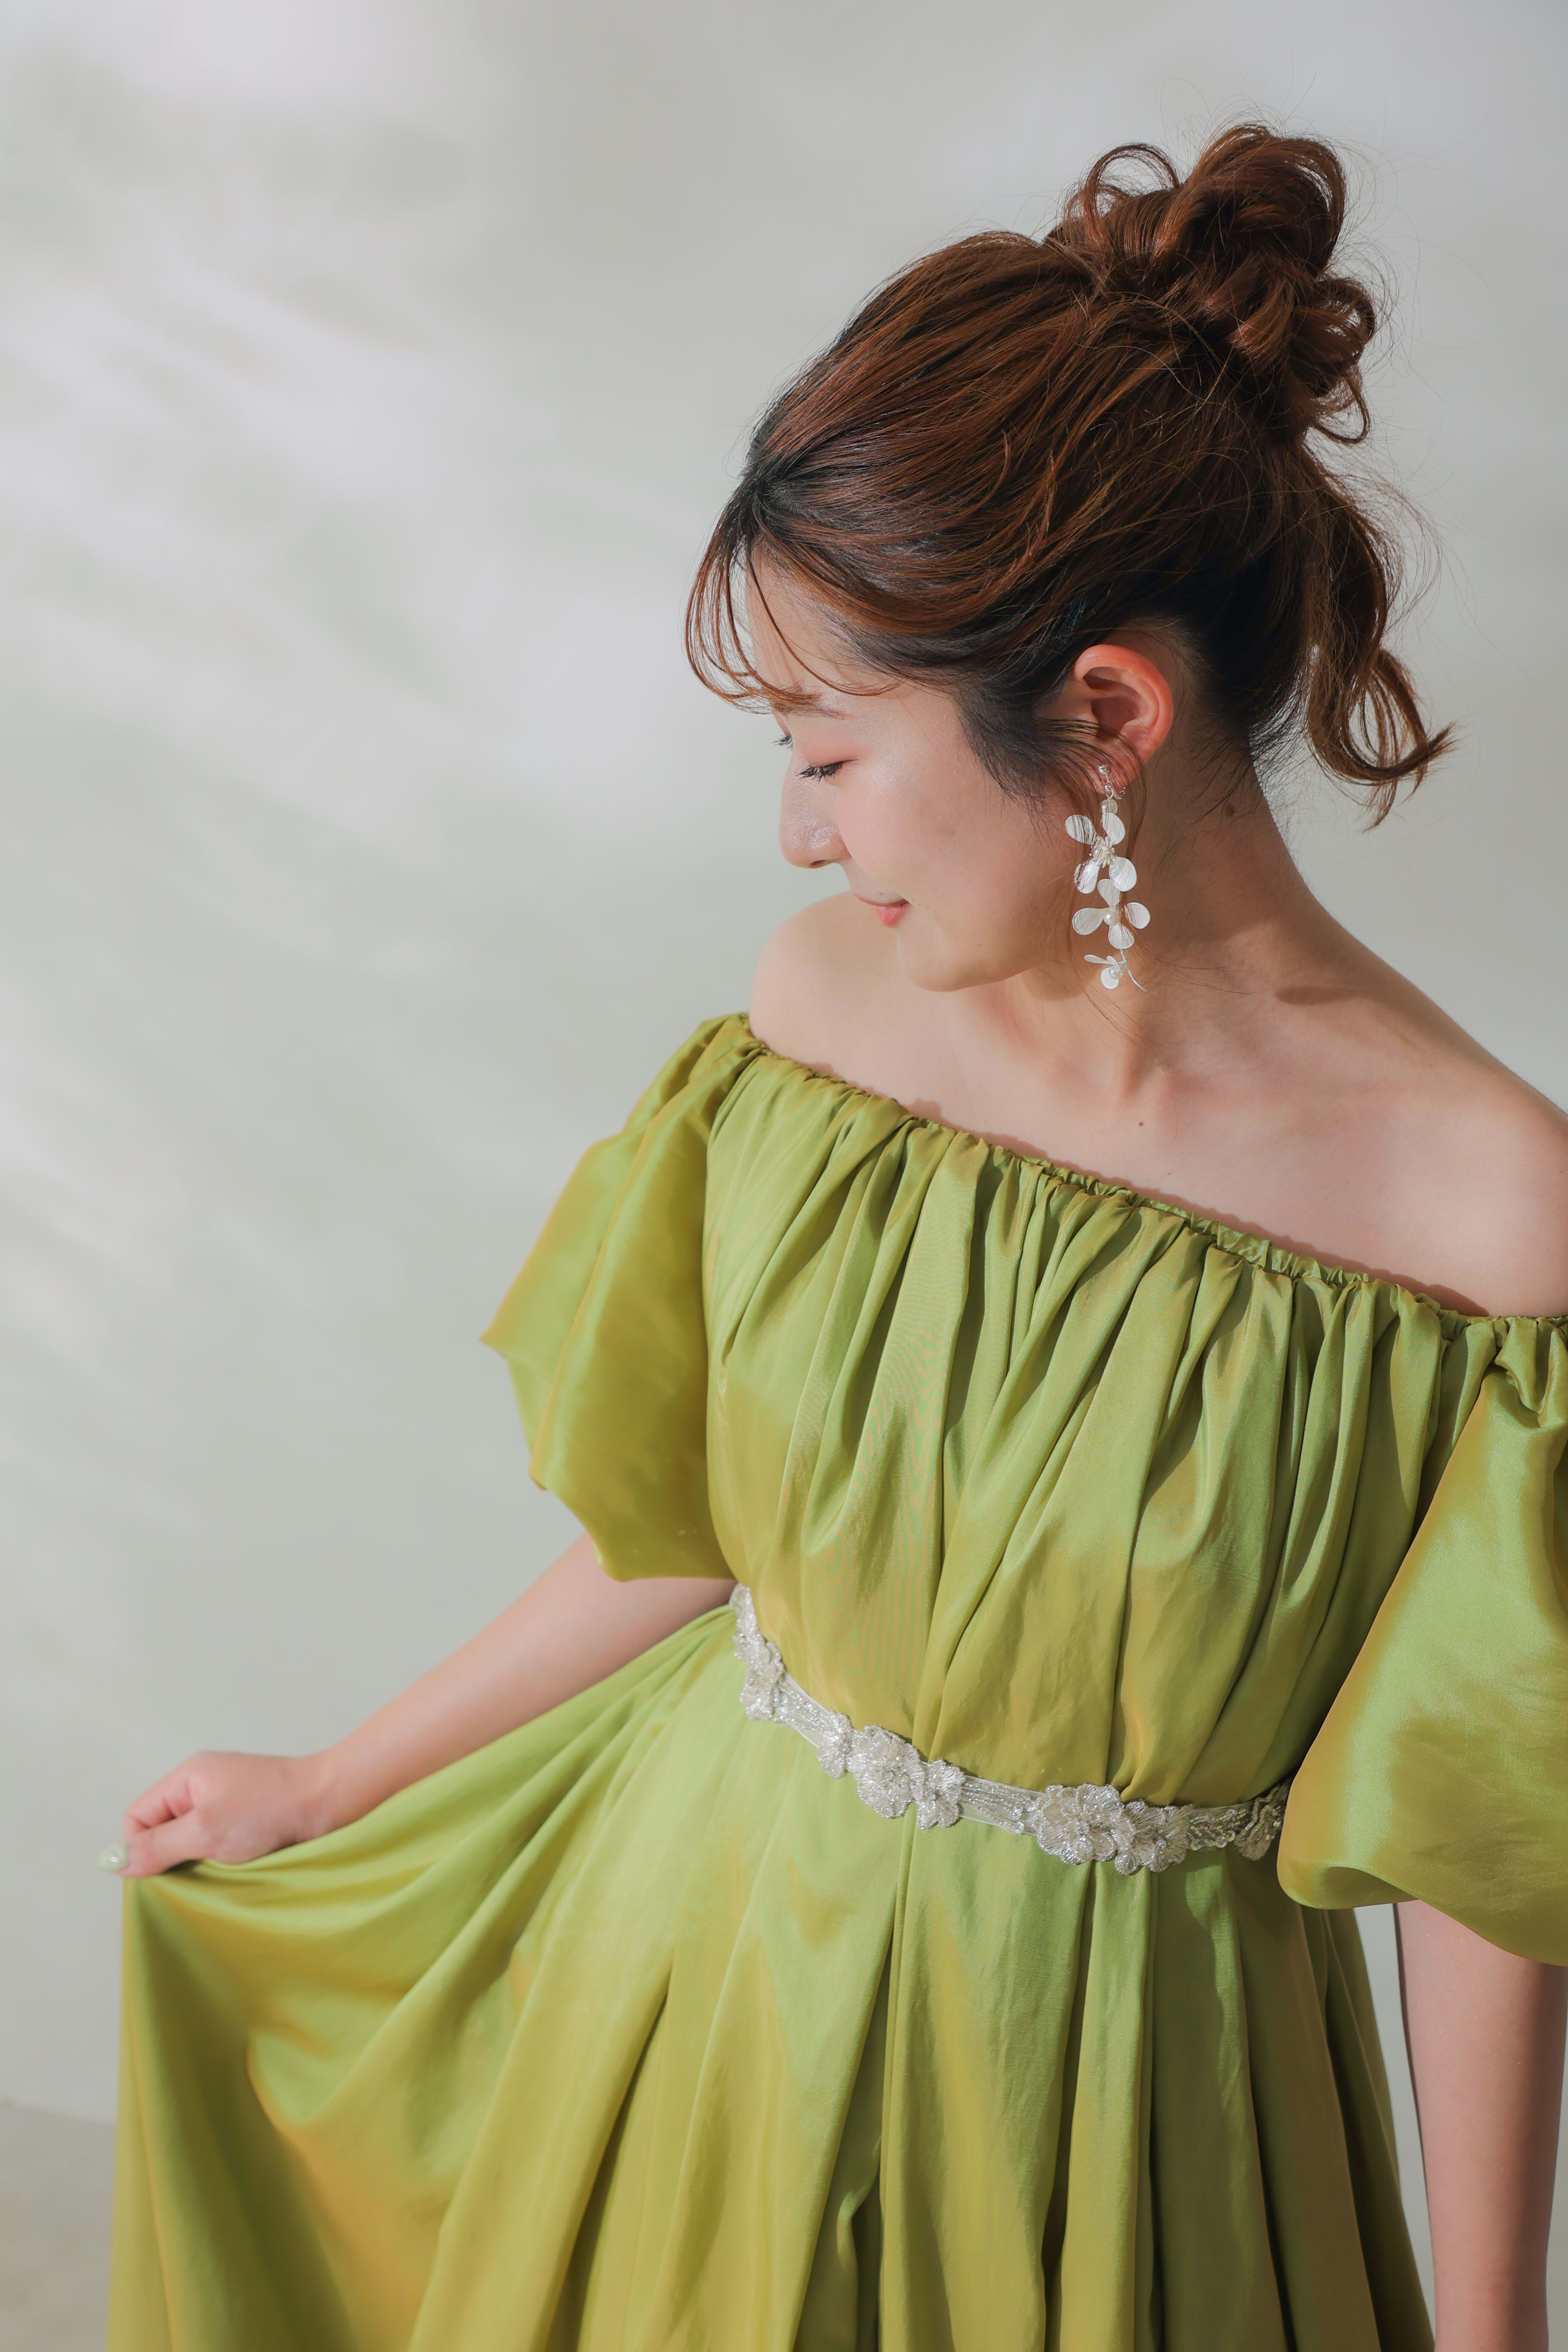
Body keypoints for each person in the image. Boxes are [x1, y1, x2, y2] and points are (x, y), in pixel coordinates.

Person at [105, 125, 1568, 2352]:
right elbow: (714, 1528)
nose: (798, 834)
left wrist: (1489, 2327)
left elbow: (1486, 1843)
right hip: (705, 1980)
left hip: (1130, 2124)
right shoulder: (823, 1029)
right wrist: (333, 1779)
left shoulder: (1488, 1225)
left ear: (1103, 717)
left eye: (828, 748)